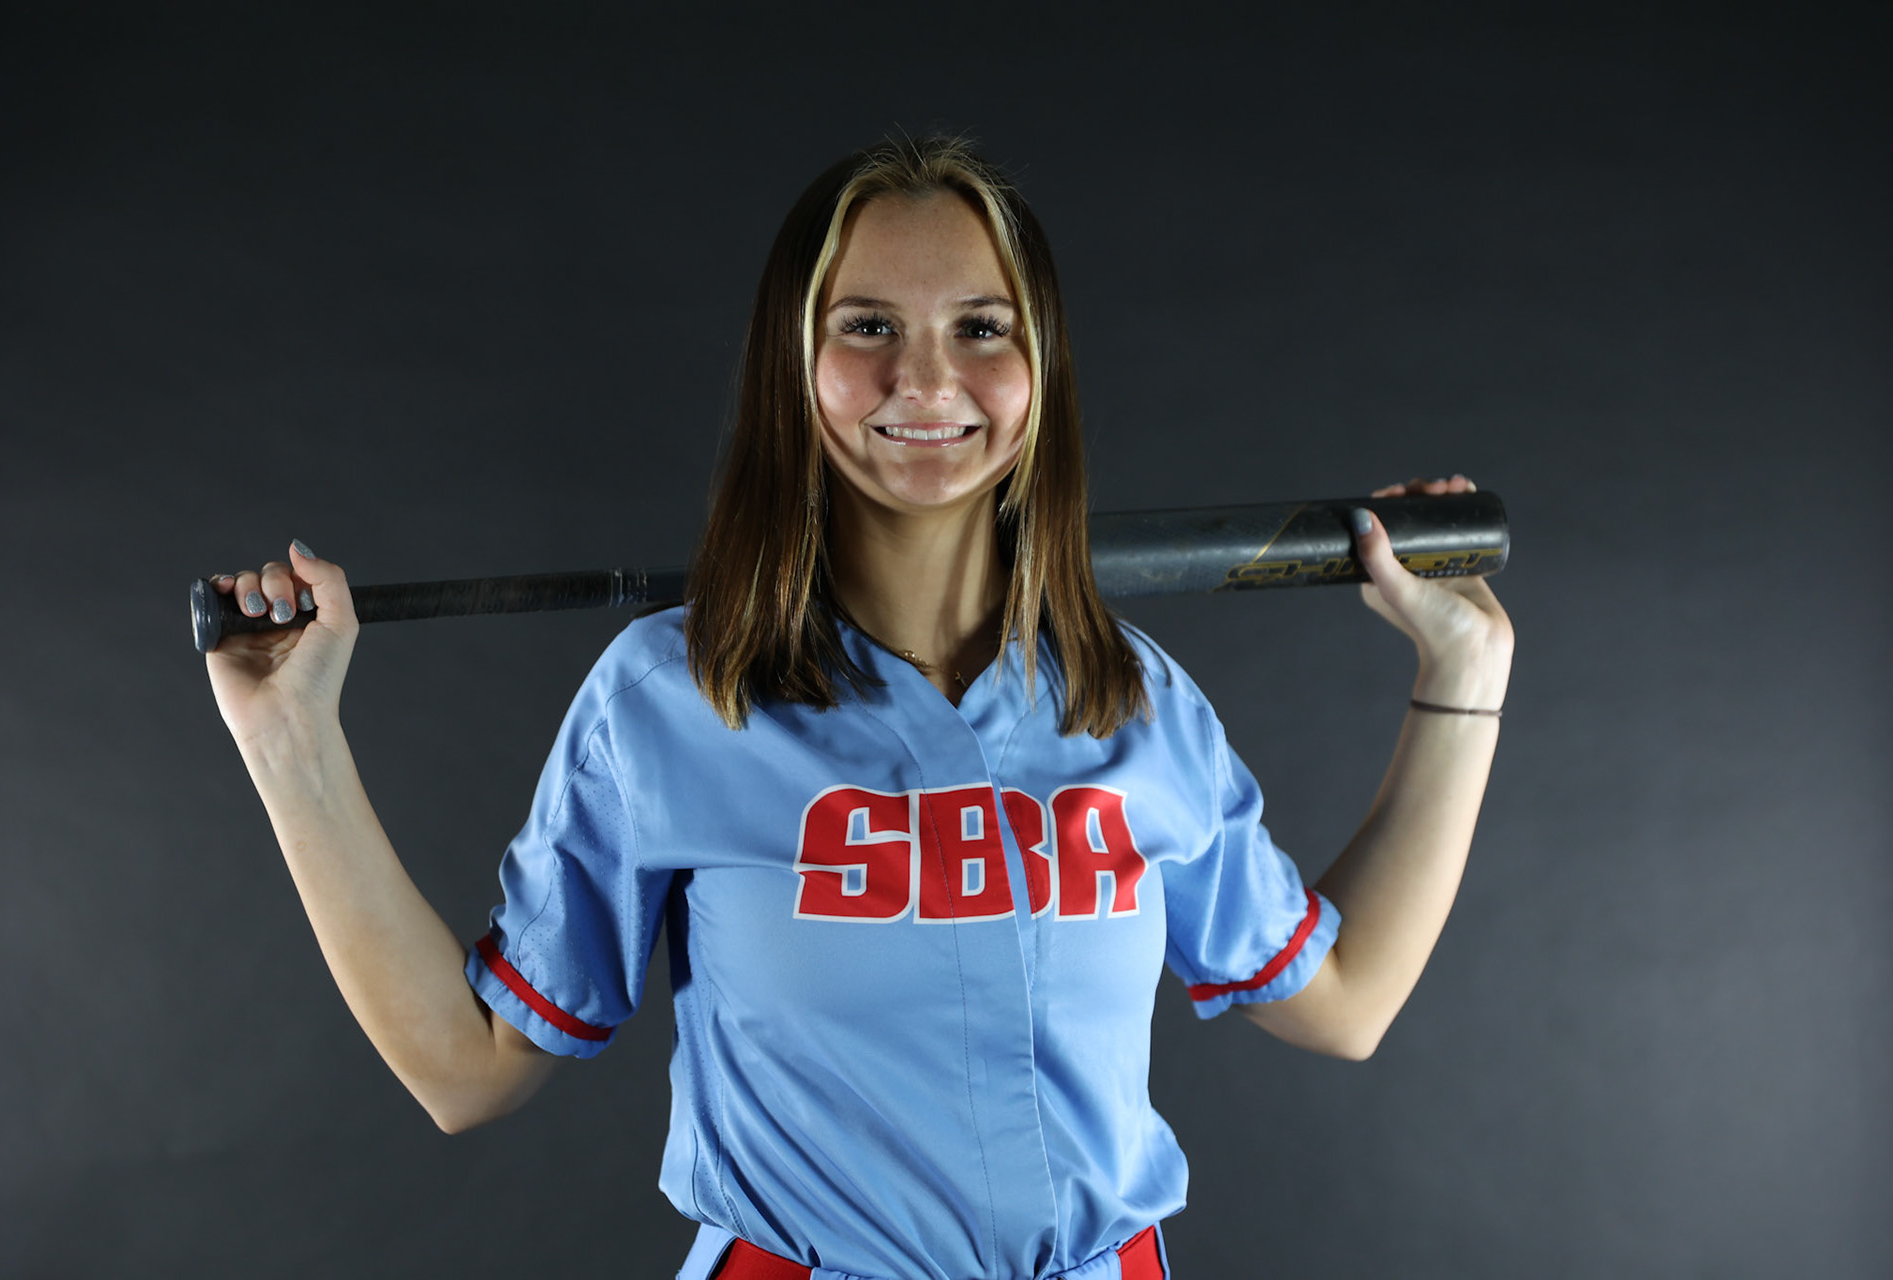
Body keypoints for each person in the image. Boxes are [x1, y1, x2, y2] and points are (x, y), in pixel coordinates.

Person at [205, 136, 1513, 1280]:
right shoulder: (673, 701)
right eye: (868, 325)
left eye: (981, 326)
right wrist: (290, 742)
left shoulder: (1136, 703)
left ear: (1039, 365)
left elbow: (1341, 1003)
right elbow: (470, 1066)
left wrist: (1462, 675)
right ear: (796, 363)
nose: (927, 379)